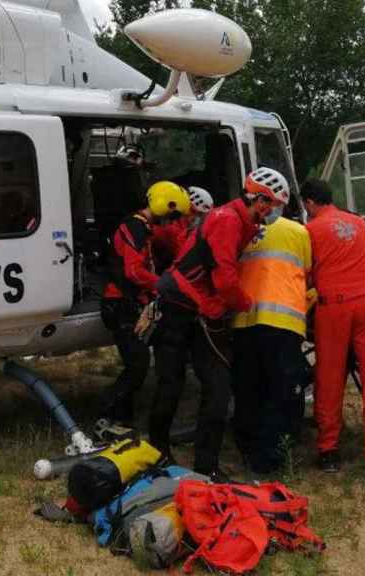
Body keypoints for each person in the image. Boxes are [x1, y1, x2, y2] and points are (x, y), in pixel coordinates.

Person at [148, 168, 289, 478]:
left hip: (198, 307)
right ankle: (157, 451)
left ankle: (205, 465)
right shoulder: (227, 220)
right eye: (273, 205)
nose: (273, 212)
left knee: (216, 387)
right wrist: (246, 304)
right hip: (179, 305)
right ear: (259, 199)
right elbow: (224, 279)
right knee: (173, 383)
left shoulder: (239, 220)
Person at [301, 178, 365, 485]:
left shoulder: (312, 230)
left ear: (310, 202)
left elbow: (307, 275)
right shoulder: (358, 224)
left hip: (335, 308)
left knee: (329, 378)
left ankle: (328, 451)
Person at [99, 181, 190, 426]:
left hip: (128, 302)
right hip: (120, 304)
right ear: (164, 205)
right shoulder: (135, 228)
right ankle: (107, 411)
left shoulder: (143, 229)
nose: (171, 222)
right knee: (137, 366)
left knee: (138, 363)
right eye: (172, 215)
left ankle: (122, 418)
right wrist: (161, 284)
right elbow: (134, 271)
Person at [232, 209, 312, 475]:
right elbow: (308, 272)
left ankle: (246, 447)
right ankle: (271, 457)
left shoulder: (240, 231)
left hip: (243, 321)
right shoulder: (297, 231)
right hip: (282, 322)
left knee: (249, 387)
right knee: (281, 391)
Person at [152, 186, 213, 273]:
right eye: (196, 213)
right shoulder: (172, 232)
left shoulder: (190, 229)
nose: (199, 218)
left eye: (201, 215)